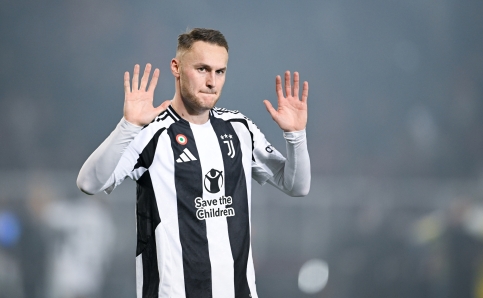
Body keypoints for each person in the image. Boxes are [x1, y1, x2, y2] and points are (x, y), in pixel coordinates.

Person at [77, 28, 310, 298]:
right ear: (176, 67)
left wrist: (295, 136)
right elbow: (88, 183)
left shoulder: (239, 128)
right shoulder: (151, 132)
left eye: (219, 72)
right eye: (202, 69)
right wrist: (128, 126)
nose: (212, 81)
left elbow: (297, 186)